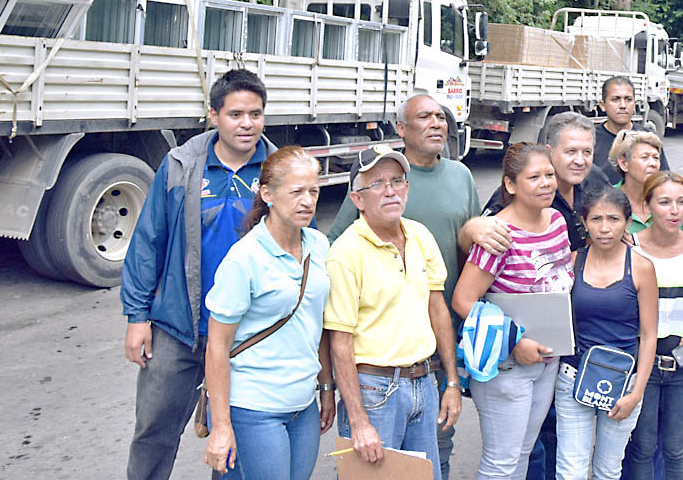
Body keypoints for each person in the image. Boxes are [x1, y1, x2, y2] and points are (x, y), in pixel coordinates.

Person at [121, 68, 273, 480]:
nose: (247, 124)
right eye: (236, 114)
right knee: (153, 432)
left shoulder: (277, 172)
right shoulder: (180, 166)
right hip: (181, 329)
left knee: (239, 437)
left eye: (256, 114)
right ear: (213, 116)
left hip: (248, 333)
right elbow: (147, 241)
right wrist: (137, 318)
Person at [326, 94, 484, 480]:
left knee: (428, 469)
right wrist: (351, 410)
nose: (390, 191)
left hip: (425, 375)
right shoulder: (348, 251)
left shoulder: (421, 234)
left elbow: (438, 309)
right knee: (370, 474)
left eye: (397, 181)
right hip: (376, 384)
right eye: (378, 184)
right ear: (357, 199)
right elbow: (340, 339)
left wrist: (450, 380)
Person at [202, 147, 335, 478]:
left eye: (313, 191)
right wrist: (220, 427)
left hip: (303, 404)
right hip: (254, 405)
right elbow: (217, 346)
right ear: (268, 194)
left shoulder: (319, 245)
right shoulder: (243, 259)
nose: (307, 201)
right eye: (296, 192)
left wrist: (326, 386)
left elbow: (315, 321)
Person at [452, 143, 574, 480]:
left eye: (549, 175)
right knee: (501, 463)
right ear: (510, 185)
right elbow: (463, 300)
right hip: (507, 365)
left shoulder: (557, 222)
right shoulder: (498, 235)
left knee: (522, 452)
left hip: (548, 358)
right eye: (534, 177)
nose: (546, 183)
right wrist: (514, 341)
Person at [555, 186, 658, 480]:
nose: (604, 228)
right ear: (584, 222)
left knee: (607, 472)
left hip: (623, 383)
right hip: (573, 379)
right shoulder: (573, 262)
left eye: (613, 219)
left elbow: (649, 335)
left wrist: (636, 394)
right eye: (596, 219)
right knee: (570, 472)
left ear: (627, 222)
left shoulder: (641, 268)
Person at [624, 171, 683, 480]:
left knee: (675, 448)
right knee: (642, 445)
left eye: (681, 202)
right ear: (648, 205)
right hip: (644, 364)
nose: (674, 210)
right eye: (664, 202)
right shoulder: (631, 247)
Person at [481, 111, 608, 252]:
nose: (580, 161)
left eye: (587, 152)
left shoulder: (596, 180)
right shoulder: (524, 191)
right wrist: (471, 228)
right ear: (549, 151)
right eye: (571, 151)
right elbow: (482, 233)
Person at [593, 76, 669, 183]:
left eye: (628, 99)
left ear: (635, 104)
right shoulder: (590, 139)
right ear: (602, 105)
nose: (623, 105)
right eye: (615, 99)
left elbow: (663, 180)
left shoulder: (647, 138)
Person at [608, 129, 663, 233]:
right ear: (624, 164)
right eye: (644, 157)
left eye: (656, 158)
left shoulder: (668, 201)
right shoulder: (605, 202)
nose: (653, 164)